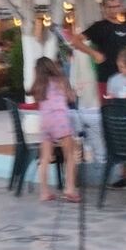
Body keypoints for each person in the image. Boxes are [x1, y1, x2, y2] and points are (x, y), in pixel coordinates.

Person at [30, 57, 79, 202]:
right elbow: (71, 98)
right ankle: (69, 189)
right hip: (60, 120)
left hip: (46, 122)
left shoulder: (38, 86)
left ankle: (44, 192)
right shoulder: (60, 80)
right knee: (70, 156)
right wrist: (74, 92)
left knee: (44, 158)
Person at [69, 0, 126, 97]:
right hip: (106, 78)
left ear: (122, 6)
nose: (114, 10)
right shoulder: (99, 26)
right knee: (108, 106)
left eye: (117, 6)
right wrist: (94, 53)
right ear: (104, 8)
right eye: (110, 7)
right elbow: (75, 40)